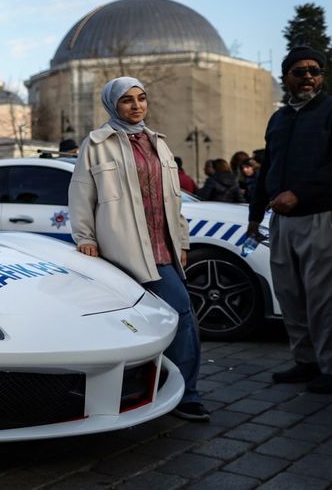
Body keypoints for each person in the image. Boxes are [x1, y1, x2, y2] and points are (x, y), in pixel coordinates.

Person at [69, 76, 209, 421]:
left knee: (181, 315)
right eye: (127, 100)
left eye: (141, 98)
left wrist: (182, 239)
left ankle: (185, 392)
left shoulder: (158, 142)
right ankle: (142, 392)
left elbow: (172, 200)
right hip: (122, 252)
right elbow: (81, 194)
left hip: (162, 250)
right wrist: (85, 238)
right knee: (136, 323)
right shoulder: (97, 144)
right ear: (111, 105)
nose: (136, 106)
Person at [248, 46, 332, 395]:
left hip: (321, 217)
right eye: (299, 71)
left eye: (314, 70)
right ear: (286, 76)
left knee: (325, 297)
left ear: (322, 75)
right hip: (281, 220)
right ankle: (306, 362)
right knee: (290, 294)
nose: (308, 77)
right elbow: (268, 167)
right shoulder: (280, 118)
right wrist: (255, 216)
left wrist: (301, 193)